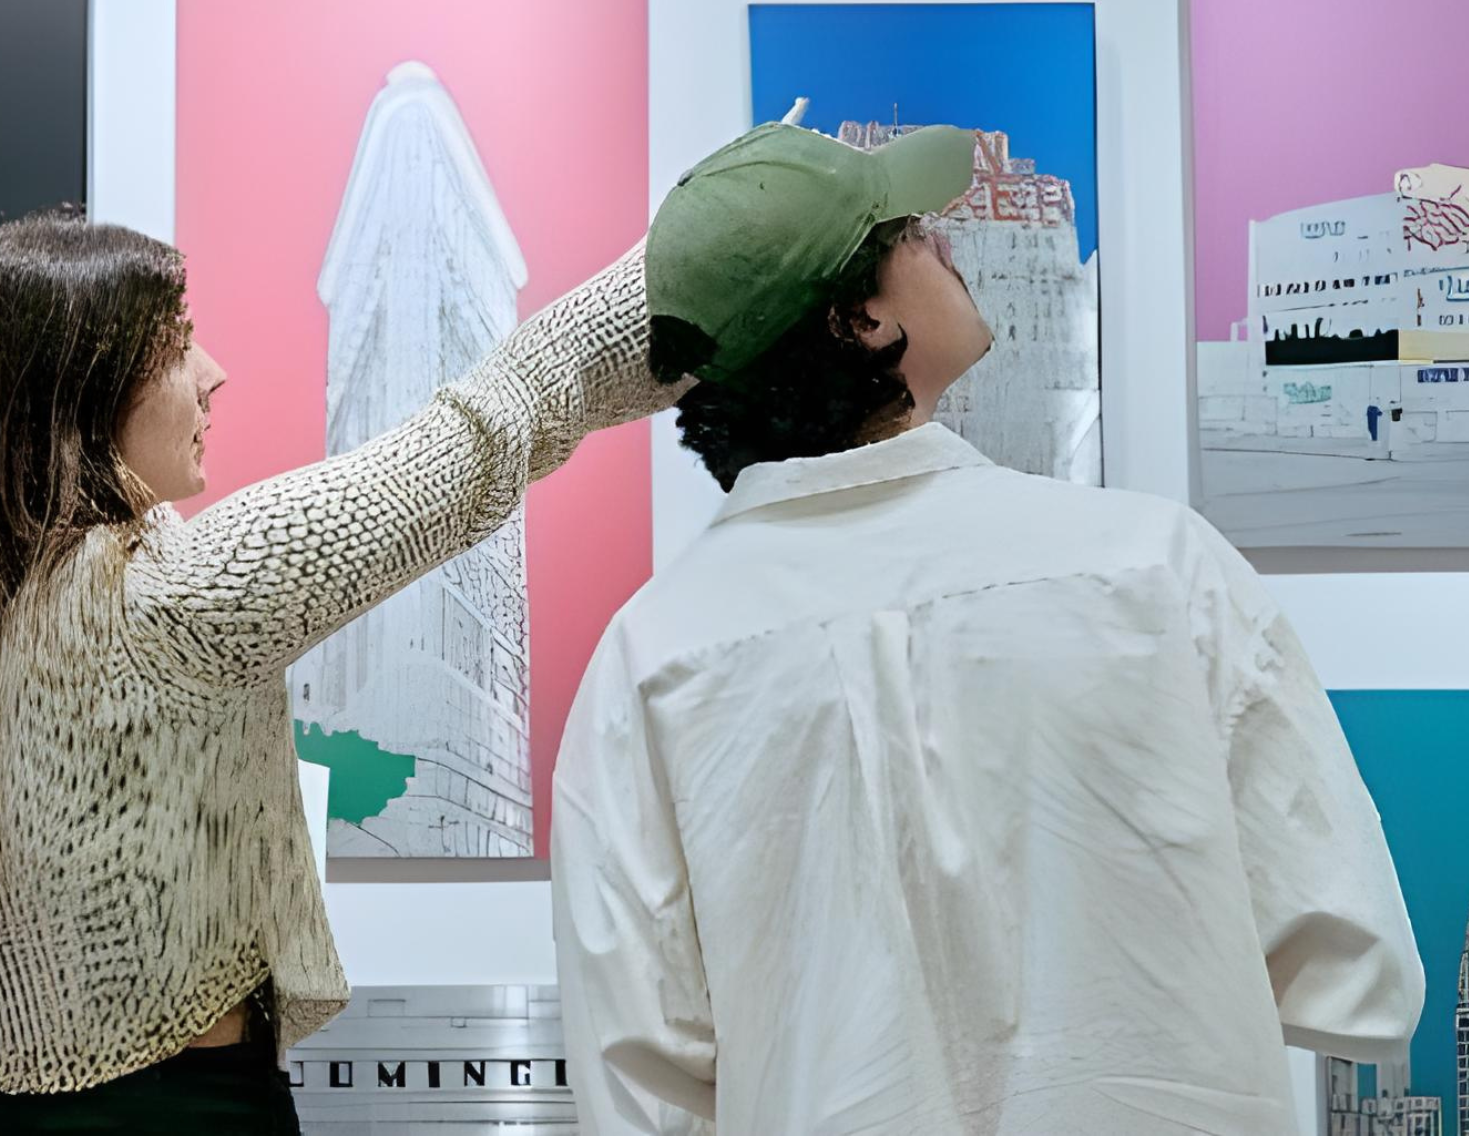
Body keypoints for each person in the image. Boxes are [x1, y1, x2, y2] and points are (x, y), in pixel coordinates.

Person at [552, 120, 1424, 1136]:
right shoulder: (1152, 567)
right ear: (862, 321)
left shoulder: (651, 660)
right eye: (912, 232)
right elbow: (1348, 959)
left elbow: (641, 1080)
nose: (946, 242)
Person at [0, 206, 676, 1133]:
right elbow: (473, 443)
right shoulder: (172, 599)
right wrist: (688, 263)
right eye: (177, 346)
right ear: (78, 393)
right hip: (180, 1113)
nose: (212, 374)